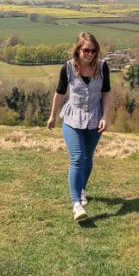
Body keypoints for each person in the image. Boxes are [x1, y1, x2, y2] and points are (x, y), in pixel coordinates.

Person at [47, 32, 111, 221]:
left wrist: (105, 116)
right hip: (72, 118)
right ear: (78, 50)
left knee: (87, 157)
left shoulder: (102, 67)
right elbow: (59, 93)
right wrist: (52, 115)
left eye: (93, 50)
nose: (90, 53)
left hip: (94, 118)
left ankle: (81, 189)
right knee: (77, 158)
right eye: (86, 50)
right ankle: (76, 204)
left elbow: (107, 93)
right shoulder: (67, 68)